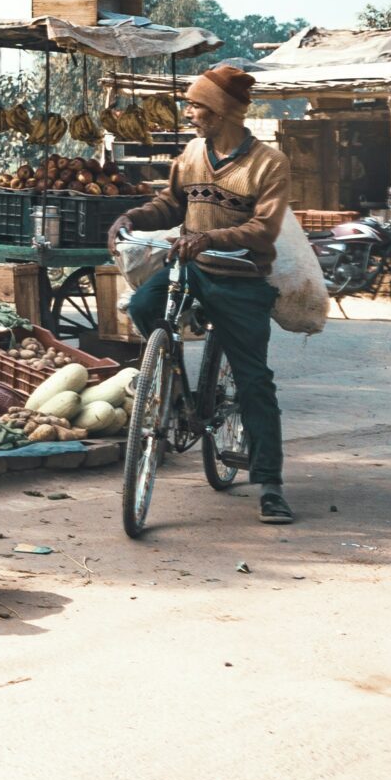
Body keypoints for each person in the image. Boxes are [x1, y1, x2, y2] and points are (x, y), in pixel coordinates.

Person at [110, 63, 296, 525]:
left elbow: (263, 229)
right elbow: (173, 202)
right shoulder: (192, 153)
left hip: (241, 277)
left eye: (196, 105)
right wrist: (133, 217)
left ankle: (270, 484)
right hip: (190, 268)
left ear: (222, 112)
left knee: (254, 381)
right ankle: (170, 385)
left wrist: (211, 239)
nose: (189, 113)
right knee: (142, 305)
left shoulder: (268, 164)